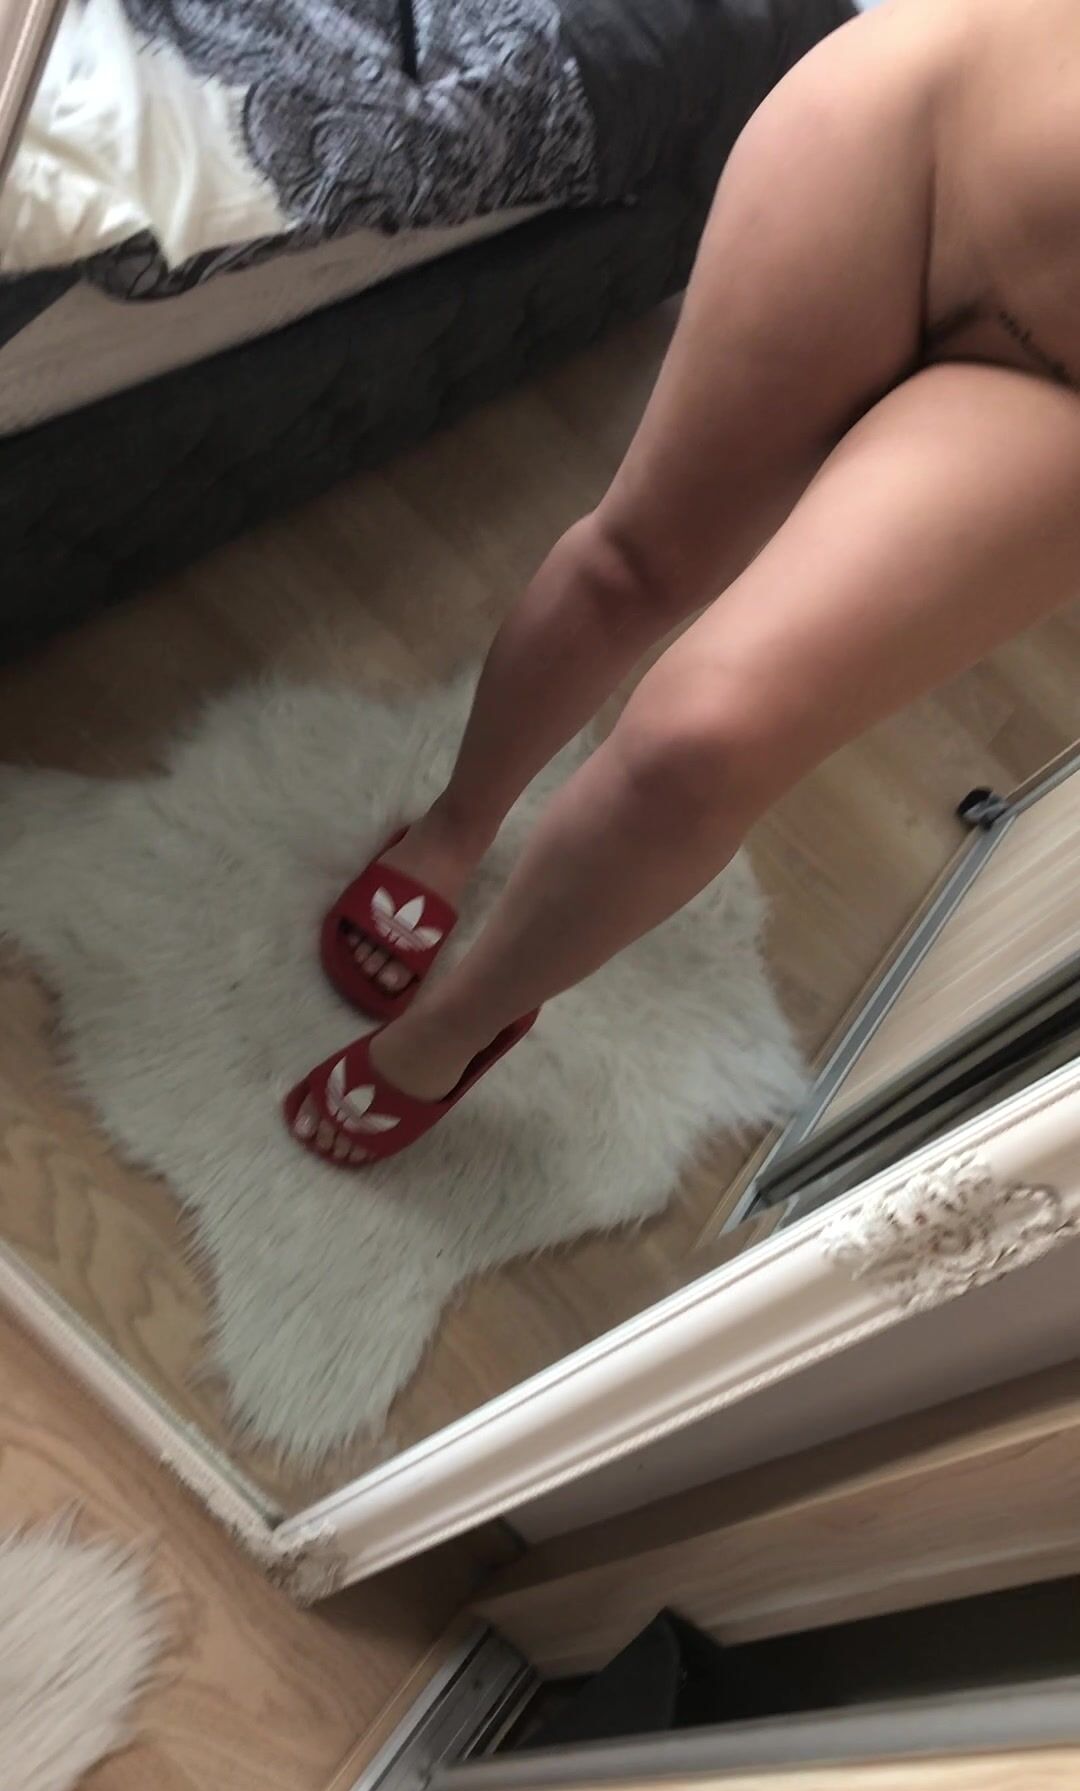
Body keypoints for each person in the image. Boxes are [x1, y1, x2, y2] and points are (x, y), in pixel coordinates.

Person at [286, 0, 1080, 1166]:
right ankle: (454, 828)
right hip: (931, 116)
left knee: (701, 744)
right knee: (634, 559)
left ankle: (458, 1028)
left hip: (1056, 399)